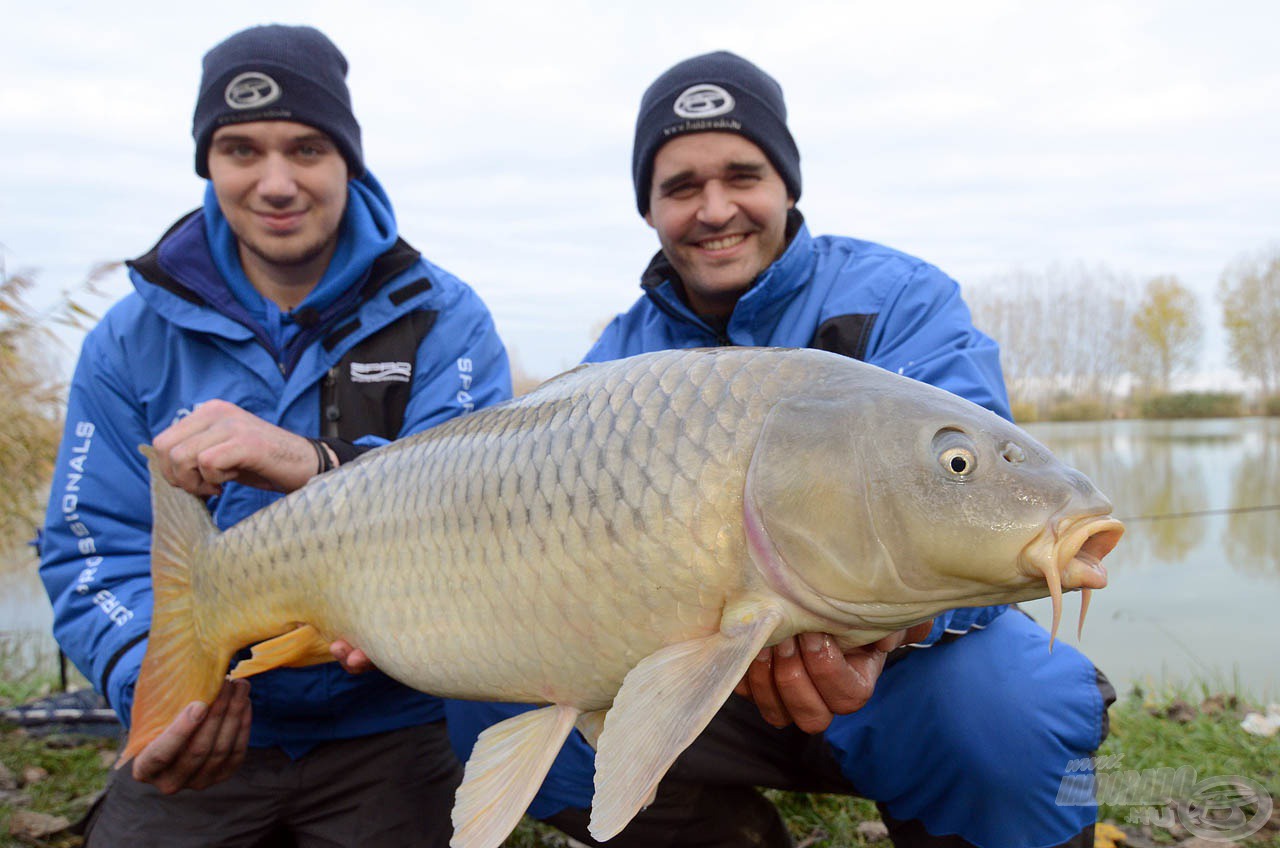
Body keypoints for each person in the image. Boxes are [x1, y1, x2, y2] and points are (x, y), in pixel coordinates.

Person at [442, 51, 1114, 848]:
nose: (715, 207)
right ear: (648, 210)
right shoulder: (617, 358)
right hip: (695, 681)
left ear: (786, 184)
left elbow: (960, 505)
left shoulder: (900, 300)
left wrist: (890, 634)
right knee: (484, 690)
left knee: (1013, 706)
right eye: (681, 187)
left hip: (900, 682)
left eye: (742, 175)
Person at [38, 24, 511, 847]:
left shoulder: (446, 318)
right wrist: (151, 680)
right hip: (218, 714)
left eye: (307, 148)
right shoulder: (125, 340)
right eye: (240, 150)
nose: (277, 182)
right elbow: (90, 545)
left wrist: (312, 465)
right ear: (208, 165)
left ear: (348, 161)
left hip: (393, 720)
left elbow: (482, 519)